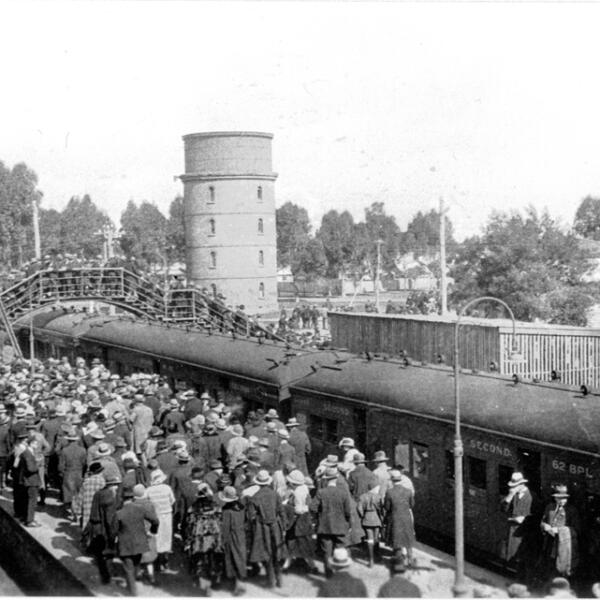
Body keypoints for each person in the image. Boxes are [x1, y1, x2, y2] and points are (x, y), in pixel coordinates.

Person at [246, 469, 286, 588]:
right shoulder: (275, 494)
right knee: (277, 552)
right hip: (275, 526)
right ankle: (279, 579)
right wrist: (283, 526)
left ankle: (271, 580)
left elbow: (251, 516)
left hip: (262, 528)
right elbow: (281, 511)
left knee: (266, 553)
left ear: (258, 483)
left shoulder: (254, 497)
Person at [116, 485, 159, 596]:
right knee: (135, 565)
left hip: (125, 545)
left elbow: (112, 531)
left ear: (122, 499)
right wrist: (153, 531)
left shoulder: (119, 514)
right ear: (132, 498)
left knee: (128, 568)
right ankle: (133, 585)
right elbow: (155, 520)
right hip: (140, 543)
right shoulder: (140, 509)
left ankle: (133, 592)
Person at [310, 466, 352, 578]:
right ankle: (341, 574)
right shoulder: (343, 493)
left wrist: (320, 513)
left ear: (326, 479)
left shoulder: (321, 492)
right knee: (341, 549)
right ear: (336, 478)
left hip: (325, 526)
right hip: (340, 526)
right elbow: (348, 511)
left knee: (326, 552)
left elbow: (313, 508)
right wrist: (349, 523)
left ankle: (328, 574)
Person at [184, 482, 223, 594]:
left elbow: (189, 524)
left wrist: (188, 540)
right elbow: (220, 520)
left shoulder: (193, 507)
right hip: (214, 537)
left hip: (199, 538)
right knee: (214, 559)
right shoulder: (215, 505)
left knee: (200, 560)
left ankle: (205, 586)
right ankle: (215, 579)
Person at [86, 473, 121, 584]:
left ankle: (105, 575)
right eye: (116, 485)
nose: (117, 487)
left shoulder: (99, 493)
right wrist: (113, 534)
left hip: (95, 527)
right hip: (104, 529)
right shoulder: (109, 497)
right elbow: (109, 519)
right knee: (108, 552)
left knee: (99, 553)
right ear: (112, 485)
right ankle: (109, 576)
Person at [541, 484, 581, 580]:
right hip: (550, 544)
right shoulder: (550, 507)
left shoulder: (572, 511)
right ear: (555, 498)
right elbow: (543, 521)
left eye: (564, 498)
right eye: (559, 498)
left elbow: (576, 530)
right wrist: (544, 526)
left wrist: (559, 530)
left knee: (562, 570)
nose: (562, 501)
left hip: (564, 546)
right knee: (549, 567)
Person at [502, 471, 535, 581]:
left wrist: (525, 519)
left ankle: (525, 583)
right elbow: (503, 508)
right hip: (513, 531)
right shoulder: (513, 495)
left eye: (514, 486)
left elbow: (536, 515)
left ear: (521, 484)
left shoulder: (532, 496)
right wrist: (510, 495)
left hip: (524, 533)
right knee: (514, 559)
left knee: (523, 558)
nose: (513, 488)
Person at [283, 469, 318, 573]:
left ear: (293, 483)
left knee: (292, 542)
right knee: (306, 544)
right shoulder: (304, 488)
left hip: (298, 521)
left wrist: (287, 505)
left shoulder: (298, 492)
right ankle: (312, 565)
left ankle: (287, 564)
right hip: (306, 521)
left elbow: (298, 510)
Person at [383, 469, 416, 567]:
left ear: (392, 480)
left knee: (397, 541)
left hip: (395, 519)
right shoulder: (408, 491)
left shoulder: (389, 492)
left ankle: (399, 563)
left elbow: (387, 507)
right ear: (400, 479)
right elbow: (411, 505)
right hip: (406, 518)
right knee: (408, 540)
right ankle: (410, 560)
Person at [145, 468, 175, 572]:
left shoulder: (148, 490)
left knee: (156, 537)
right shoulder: (167, 488)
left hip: (155, 516)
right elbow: (172, 501)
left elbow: (146, 503)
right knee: (166, 536)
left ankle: (156, 560)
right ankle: (165, 561)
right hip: (166, 515)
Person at [357, 480, 383, 567]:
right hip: (376, 518)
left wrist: (363, 515)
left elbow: (359, 509)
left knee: (369, 539)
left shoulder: (362, 496)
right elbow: (381, 509)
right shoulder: (378, 497)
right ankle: (377, 556)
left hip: (367, 518)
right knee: (376, 539)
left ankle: (371, 559)